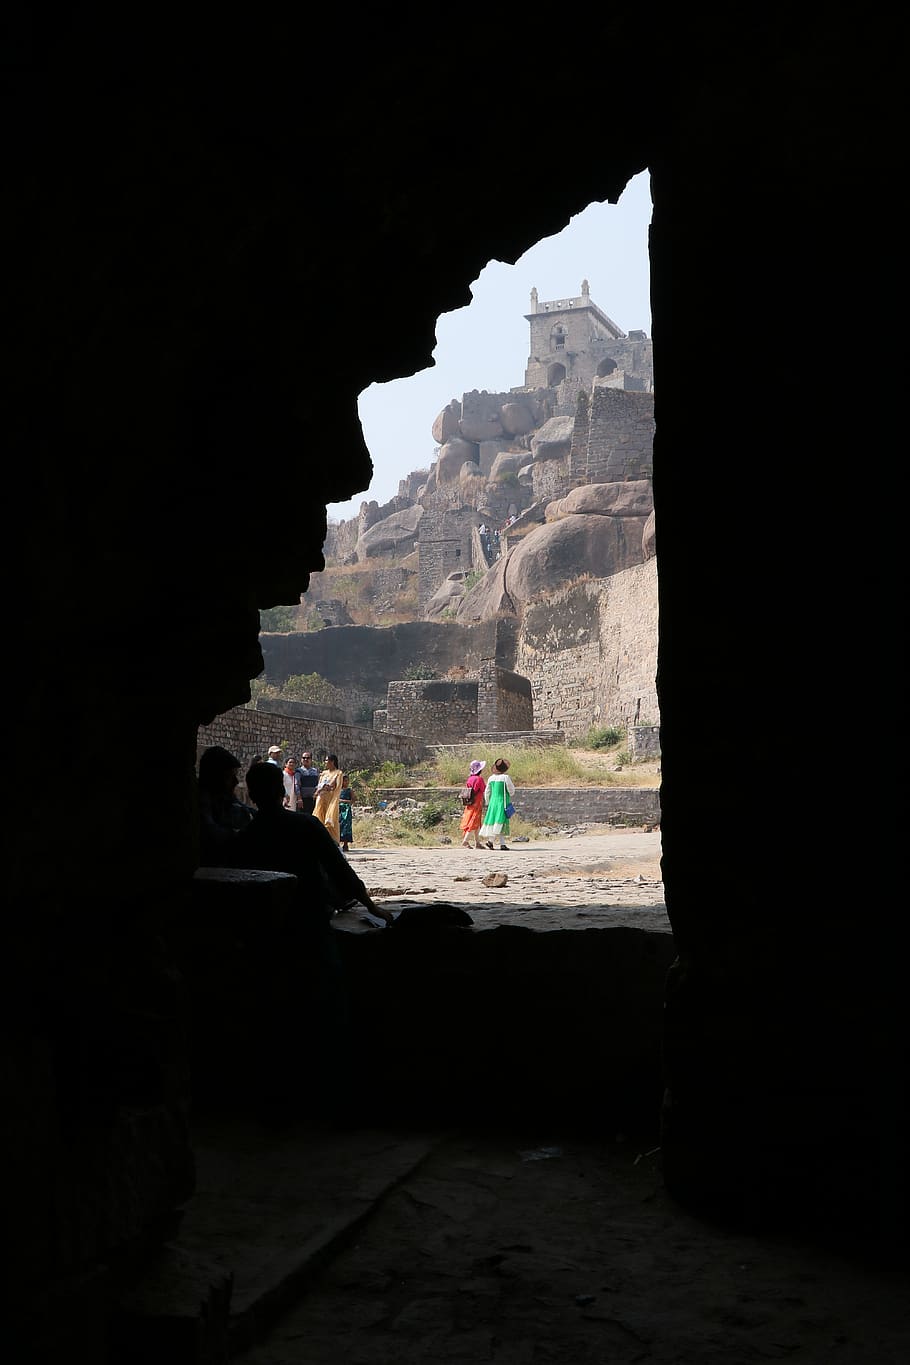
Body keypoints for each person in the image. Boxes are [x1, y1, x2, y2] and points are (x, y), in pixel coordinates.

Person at [197, 745, 255, 866]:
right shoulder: (202, 800)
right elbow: (210, 833)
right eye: (229, 777)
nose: (235, 781)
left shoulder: (225, 797)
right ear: (215, 778)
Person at [479, 756, 515, 850]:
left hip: (493, 802)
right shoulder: (505, 777)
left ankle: (497, 843)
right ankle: (495, 843)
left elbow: (487, 791)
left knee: (495, 821)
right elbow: (511, 790)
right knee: (501, 821)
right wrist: (510, 794)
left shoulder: (491, 778)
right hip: (502, 802)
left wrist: (488, 802)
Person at [313, 753, 343, 844]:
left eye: (327, 760)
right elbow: (319, 785)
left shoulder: (338, 773)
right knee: (319, 819)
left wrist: (328, 787)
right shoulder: (324, 773)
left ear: (332, 761)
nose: (325, 762)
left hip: (331, 800)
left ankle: (334, 841)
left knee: (330, 821)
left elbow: (336, 787)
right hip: (321, 799)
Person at [459, 759, 487, 849]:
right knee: (474, 822)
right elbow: (483, 789)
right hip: (477, 802)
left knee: (476, 822)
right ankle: (466, 841)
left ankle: (477, 842)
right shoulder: (479, 779)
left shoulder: (470, 779)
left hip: (470, 802)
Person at [297, 750, 319, 816]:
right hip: (303, 800)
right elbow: (297, 785)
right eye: (304, 758)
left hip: (313, 799)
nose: (305, 759)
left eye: (308, 758)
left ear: (311, 759)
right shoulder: (299, 771)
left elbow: (318, 784)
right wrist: (299, 799)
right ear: (301, 759)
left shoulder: (315, 771)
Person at [338, 775, 354, 853]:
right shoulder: (338, 790)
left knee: (346, 826)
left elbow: (353, 799)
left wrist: (346, 802)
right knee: (339, 825)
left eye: (347, 781)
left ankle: (345, 844)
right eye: (345, 781)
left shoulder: (349, 790)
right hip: (339, 810)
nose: (346, 782)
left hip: (347, 810)